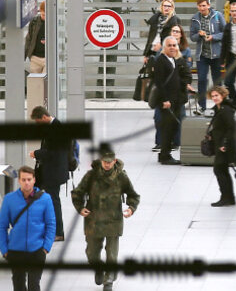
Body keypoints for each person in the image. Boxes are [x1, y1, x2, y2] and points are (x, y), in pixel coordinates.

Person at [71, 149, 140, 291]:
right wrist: (80, 207)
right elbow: (78, 192)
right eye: (104, 162)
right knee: (91, 252)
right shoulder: (91, 176)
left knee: (112, 254)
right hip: (93, 220)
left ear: (114, 161)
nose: (107, 165)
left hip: (113, 220)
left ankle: (108, 280)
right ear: (101, 161)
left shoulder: (121, 177)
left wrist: (131, 208)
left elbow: (132, 194)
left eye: (110, 162)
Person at [0, 166, 55, 291]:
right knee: (18, 285)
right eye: (23, 180)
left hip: (37, 250)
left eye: (29, 179)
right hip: (15, 250)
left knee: (34, 285)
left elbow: (51, 224)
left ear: (34, 180)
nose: (26, 182)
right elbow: (2, 226)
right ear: (19, 180)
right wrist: (4, 249)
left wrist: (46, 247)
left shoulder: (45, 199)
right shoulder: (9, 199)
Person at [150, 35, 192, 164]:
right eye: (170, 45)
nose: (172, 48)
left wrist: (183, 83)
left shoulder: (176, 59)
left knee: (173, 127)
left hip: (176, 100)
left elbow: (186, 75)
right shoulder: (161, 61)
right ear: (164, 47)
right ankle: (164, 155)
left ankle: (166, 153)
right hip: (167, 102)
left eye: (174, 45)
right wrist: (165, 100)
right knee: (167, 128)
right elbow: (159, 83)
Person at [28, 106, 68, 241]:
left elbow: (53, 153)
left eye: (39, 122)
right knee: (49, 200)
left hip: (54, 173)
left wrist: (36, 153)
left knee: (53, 201)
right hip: (50, 171)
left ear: (44, 117)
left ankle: (58, 232)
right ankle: (51, 229)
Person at [189, 0, 226, 112]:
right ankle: (202, 106)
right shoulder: (195, 19)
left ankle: (219, 105)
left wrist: (213, 37)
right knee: (201, 80)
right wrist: (199, 35)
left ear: (208, 5)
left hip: (216, 55)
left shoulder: (218, 16)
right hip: (202, 55)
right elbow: (192, 37)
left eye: (204, 5)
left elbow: (225, 33)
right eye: (200, 6)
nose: (202, 8)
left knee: (217, 81)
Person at [208, 86, 236, 206]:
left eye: (217, 95)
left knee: (219, 169)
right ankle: (228, 197)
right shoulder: (219, 108)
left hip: (224, 145)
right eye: (213, 96)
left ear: (223, 95)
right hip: (220, 143)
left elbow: (231, 128)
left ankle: (226, 197)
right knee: (222, 170)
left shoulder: (225, 110)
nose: (215, 98)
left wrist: (224, 143)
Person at [143, 0, 180, 65]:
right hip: (152, 49)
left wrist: (162, 45)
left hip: (166, 50)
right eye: (165, 6)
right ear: (162, 7)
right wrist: (146, 54)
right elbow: (150, 38)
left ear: (172, 8)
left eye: (169, 6)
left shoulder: (174, 20)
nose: (167, 8)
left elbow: (175, 37)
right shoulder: (155, 19)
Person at [24, 1, 46, 74]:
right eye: (43, 15)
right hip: (35, 58)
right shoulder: (34, 22)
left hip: (48, 58)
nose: (44, 17)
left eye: (46, 15)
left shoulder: (54, 22)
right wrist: (25, 56)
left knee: (47, 83)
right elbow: (29, 39)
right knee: (35, 83)